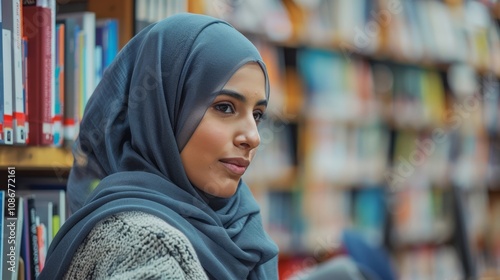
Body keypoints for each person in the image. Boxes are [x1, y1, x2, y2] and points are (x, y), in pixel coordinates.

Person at [39, 13, 279, 279]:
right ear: (162, 113)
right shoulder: (146, 245)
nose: (253, 137)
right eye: (224, 107)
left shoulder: (242, 225)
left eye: (257, 115)